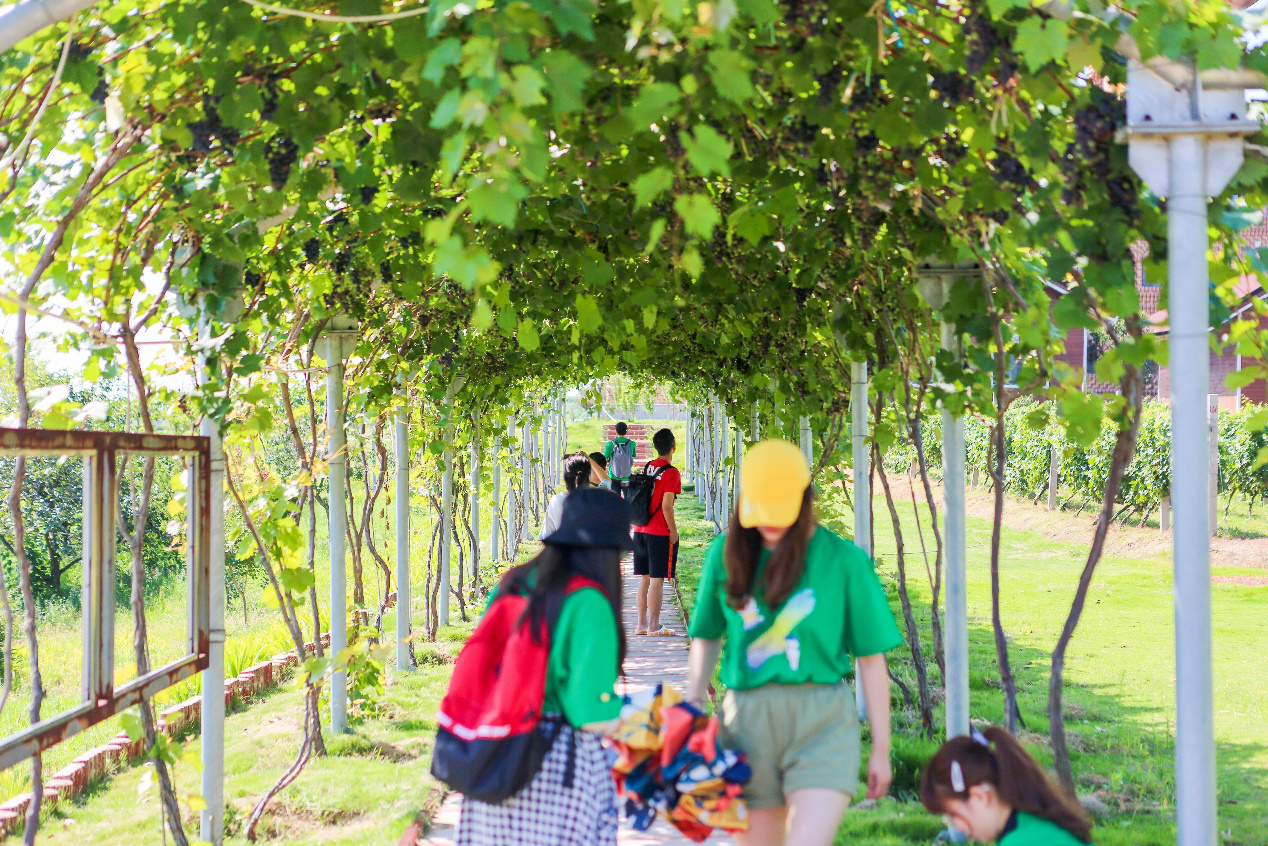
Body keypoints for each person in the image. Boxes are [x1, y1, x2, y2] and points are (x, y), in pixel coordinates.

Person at [684, 439, 901, 846]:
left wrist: (882, 749)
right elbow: (707, 636)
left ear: (805, 499)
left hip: (821, 719)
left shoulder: (844, 561)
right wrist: (691, 705)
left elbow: (871, 660)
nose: (770, 523)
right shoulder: (725, 554)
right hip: (744, 722)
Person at [457, 488, 631, 846]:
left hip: (496, 756)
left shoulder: (513, 582)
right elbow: (587, 711)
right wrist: (648, 722)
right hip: (557, 768)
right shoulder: (589, 603)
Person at [920, 727, 1094, 845]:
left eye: (952, 815)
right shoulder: (1031, 824)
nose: (956, 827)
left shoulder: (1021, 841)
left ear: (980, 796)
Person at [631, 428, 681, 637]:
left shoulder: (649, 467)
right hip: (658, 531)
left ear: (655, 447)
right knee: (657, 579)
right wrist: (673, 531)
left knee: (644, 578)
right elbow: (667, 506)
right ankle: (654, 625)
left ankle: (641, 624)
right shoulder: (671, 473)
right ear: (673, 447)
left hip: (640, 529)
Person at [540, 453, 593, 539]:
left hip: (563, 551)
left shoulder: (556, 501)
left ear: (565, 477)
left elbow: (546, 536)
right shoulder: (597, 500)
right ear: (589, 476)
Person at [604, 421, 637, 498]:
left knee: (615, 499)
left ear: (616, 431)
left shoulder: (610, 444)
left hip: (613, 476)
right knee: (627, 498)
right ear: (626, 431)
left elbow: (605, 457)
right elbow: (633, 455)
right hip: (626, 477)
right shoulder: (632, 444)